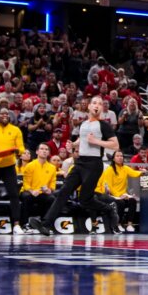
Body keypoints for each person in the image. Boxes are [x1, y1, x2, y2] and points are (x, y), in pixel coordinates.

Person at [29, 96, 121, 236]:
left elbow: (115, 145)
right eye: (94, 103)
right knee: (63, 192)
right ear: (89, 107)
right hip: (80, 163)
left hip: (94, 164)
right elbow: (82, 140)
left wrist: (96, 141)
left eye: (100, 104)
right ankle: (45, 225)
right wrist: (73, 144)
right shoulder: (83, 124)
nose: (97, 105)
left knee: (85, 200)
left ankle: (108, 208)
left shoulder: (103, 125)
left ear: (102, 108)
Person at [95, 150, 143, 233]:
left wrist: (142, 172)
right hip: (112, 195)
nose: (120, 158)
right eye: (117, 156)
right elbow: (109, 186)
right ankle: (118, 224)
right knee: (121, 203)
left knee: (132, 201)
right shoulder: (109, 170)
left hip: (123, 194)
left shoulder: (125, 168)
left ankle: (129, 224)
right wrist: (119, 196)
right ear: (113, 159)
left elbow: (134, 173)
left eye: (121, 156)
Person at [19, 143, 57, 232]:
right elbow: (26, 184)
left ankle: (44, 224)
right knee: (26, 197)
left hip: (42, 193)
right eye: (42, 149)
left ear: (48, 153)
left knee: (51, 198)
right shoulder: (30, 165)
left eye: (46, 149)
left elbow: (52, 185)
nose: (44, 151)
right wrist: (32, 191)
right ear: (37, 152)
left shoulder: (52, 167)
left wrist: (49, 190)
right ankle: (25, 225)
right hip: (29, 191)